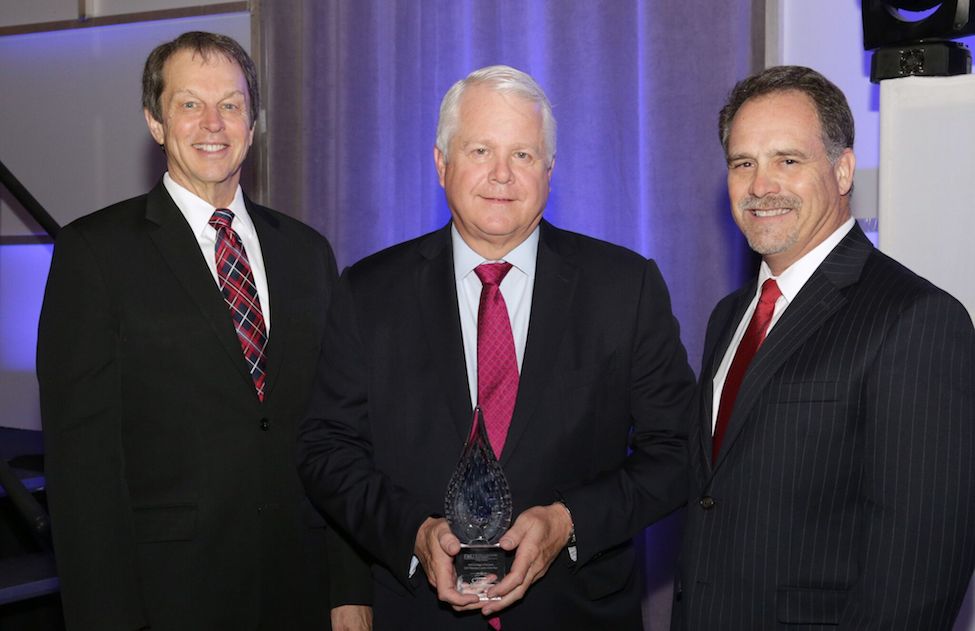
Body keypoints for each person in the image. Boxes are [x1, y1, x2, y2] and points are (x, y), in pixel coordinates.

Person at [297, 64, 695, 630]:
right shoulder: (368, 293)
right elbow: (326, 450)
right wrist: (413, 532)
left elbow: (679, 451)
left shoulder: (624, 288)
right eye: (481, 150)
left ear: (551, 170)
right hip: (419, 614)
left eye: (524, 155)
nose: (502, 175)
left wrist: (569, 522)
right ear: (441, 163)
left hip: (577, 613)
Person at [37, 31, 371, 631]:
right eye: (190, 103)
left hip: (301, 586)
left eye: (232, 104)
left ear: (253, 122)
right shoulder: (94, 253)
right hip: (168, 595)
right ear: (155, 122)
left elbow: (336, 431)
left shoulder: (307, 251)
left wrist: (350, 585)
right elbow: (81, 466)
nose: (212, 123)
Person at [672, 65, 975, 630]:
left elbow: (918, 575)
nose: (761, 186)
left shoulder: (918, 320)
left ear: (842, 170)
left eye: (788, 160)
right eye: (743, 164)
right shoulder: (728, 317)